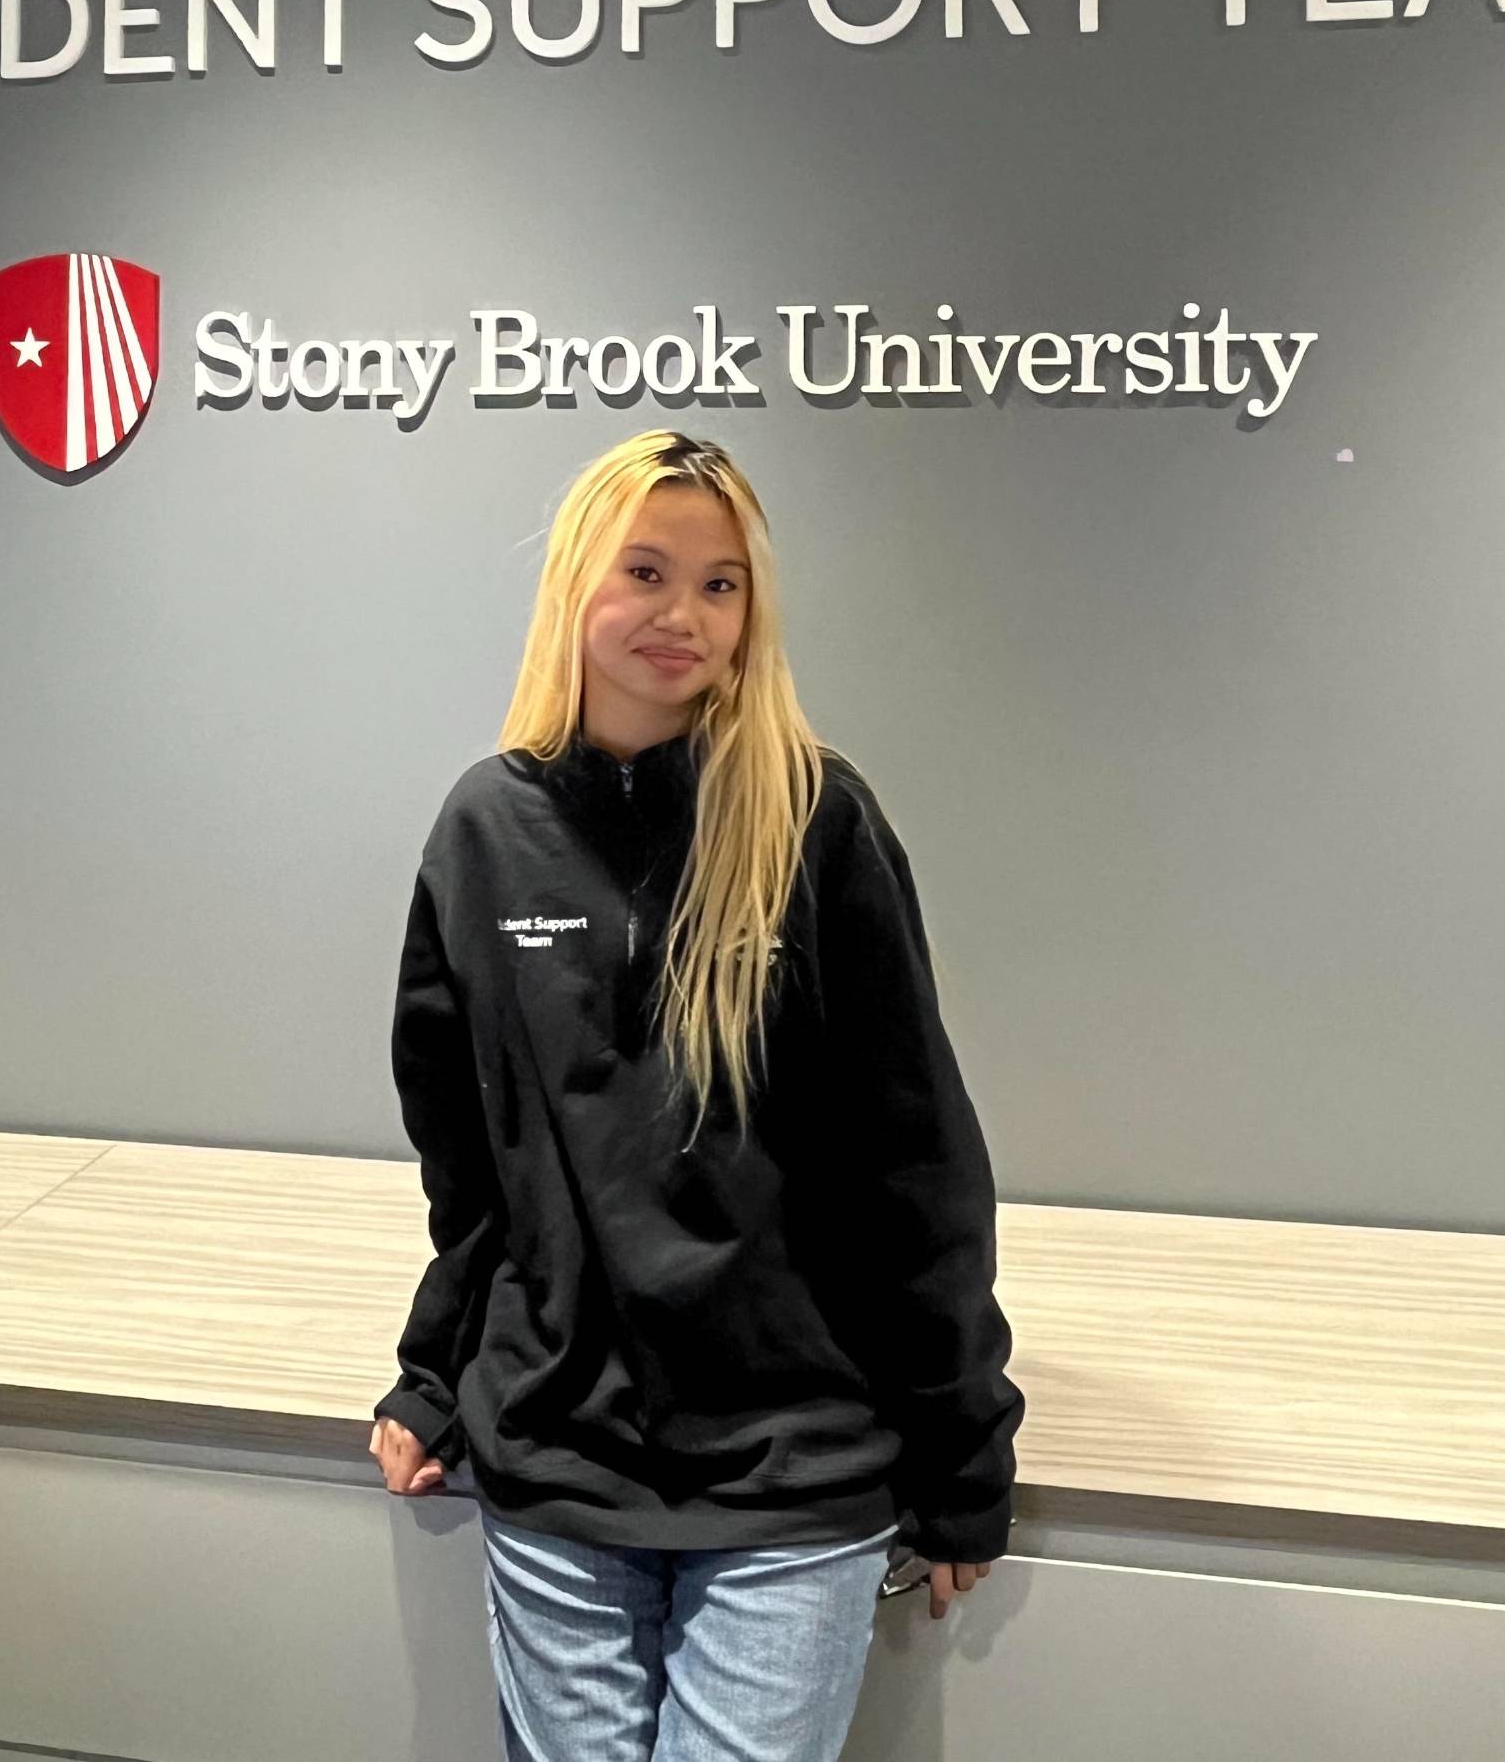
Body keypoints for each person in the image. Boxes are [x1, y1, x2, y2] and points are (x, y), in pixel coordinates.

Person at [370, 429, 1023, 1762]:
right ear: (574, 586)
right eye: (648, 570)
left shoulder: (812, 821)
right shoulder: (485, 833)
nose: (683, 615)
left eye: (721, 585)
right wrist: (436, 1369)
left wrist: (963, 1454)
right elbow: (473, 1165)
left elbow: (914, 1164)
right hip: (558, 1469)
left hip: (790, 1474)